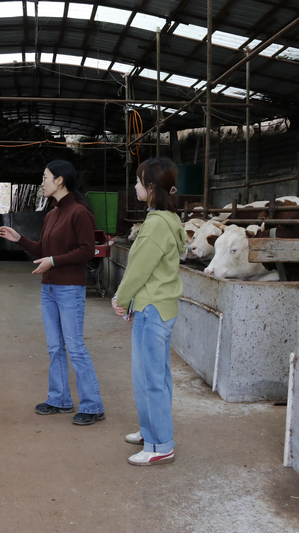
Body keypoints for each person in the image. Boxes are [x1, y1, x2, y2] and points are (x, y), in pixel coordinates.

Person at [0, 160, 105, 425]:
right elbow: (43, 251)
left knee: (75, 347)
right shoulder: (52, 214)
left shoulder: (79, 213)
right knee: (55, 346)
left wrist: (54, 262)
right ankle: (59, 399)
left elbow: (86, 250)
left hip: (70, 288)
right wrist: (19, 239)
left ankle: (93, 406)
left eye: (45, 177)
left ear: (60, 180)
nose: (42, 182)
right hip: (49, 288)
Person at [111, 157, 187, 465]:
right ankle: (150, 430)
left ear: (151, 188)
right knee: (156, 374)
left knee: (149, 376)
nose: (135, 186)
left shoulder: (155, 225)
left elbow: (138, 270)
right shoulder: (168, 218)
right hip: (160, 306)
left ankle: (160, 444)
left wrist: (121, 298)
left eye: (139, 181)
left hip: (151, 308)